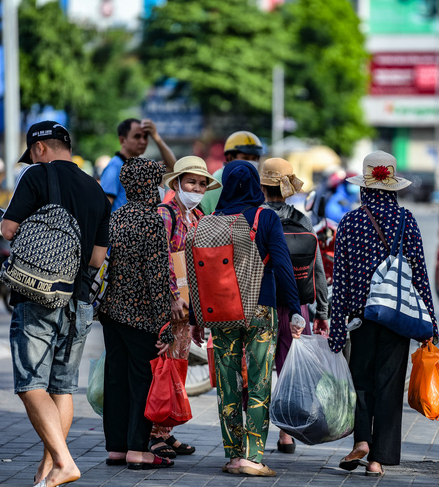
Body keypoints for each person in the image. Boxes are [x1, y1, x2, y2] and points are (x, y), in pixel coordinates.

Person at [1, 121, 111, 487]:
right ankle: (48, 470)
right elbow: (97, 259)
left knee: (31, 383)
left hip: (38, 296)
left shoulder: (36, 175)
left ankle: (64, 462)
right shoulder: (97, 190)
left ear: (40, 148)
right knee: (62, 388)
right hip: (79, 300)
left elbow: (9, 229)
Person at [328, 151, 439, 477]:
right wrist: (430, 321)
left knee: (360, 380)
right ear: (393, 188)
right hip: (397, 315)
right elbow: (419, 275)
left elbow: (341, 277)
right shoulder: (407, 221)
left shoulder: (349, 222)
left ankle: (361, 440)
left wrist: (336, 328)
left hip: (360, 315)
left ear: (364, 188)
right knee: (389, 385)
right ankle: (378, 459)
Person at [192, 160, 304, 477]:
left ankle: (232, 454)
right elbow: (282, 265)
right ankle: (253, 456)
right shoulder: (265, 217)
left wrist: (196, 317)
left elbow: (198, 272)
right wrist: (295, 309)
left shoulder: (210, 221)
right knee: (258, 382)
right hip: (260, 309)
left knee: (227, 383)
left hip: (220, 312)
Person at [97, 157, 176, 470]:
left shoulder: (115, 217)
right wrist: (164, 327)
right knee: (141, 380)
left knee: (115, 378)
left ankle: (116, 447)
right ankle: (137, 450)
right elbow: (156, 279)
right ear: (150, 185)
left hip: (110, 312)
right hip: (140, 316)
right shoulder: (152, 221)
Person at [148, 155, 221, 458]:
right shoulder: (167, 214)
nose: (197, 187)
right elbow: (161, 257)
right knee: (162, 369)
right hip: (169, 307)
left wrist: (198, 316)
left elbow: (200, 268)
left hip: (187, 308)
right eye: (191, 181)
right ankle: (153, 432)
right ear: (177, 183)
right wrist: (171, 296)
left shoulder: (199, 218)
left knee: (177, 368)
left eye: (202, 183)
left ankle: (166, 431)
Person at [259, 157, 330, 454]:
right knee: (289, 370)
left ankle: (254, 435)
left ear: (262, 185)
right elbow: (317, 269)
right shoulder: (302, 219)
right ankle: (286, 434)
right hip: (295, 308)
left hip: (260, 304)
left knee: (259, 369)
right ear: (288, 187)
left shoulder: (254, 217)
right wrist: (322, 311)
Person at [100, 118, 177, 212]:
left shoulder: (146, 166)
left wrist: (156, 136)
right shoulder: (114, 168)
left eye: (145, 137)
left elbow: (173, 167)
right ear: (122, 140)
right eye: (137, 136)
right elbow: (104, 209)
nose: (143, 141)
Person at [198, 131, 264, 215]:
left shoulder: (252, 179)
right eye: (246, 158)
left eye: (255, 158)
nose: (251, 162)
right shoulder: (221, 179)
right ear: (230, 158)